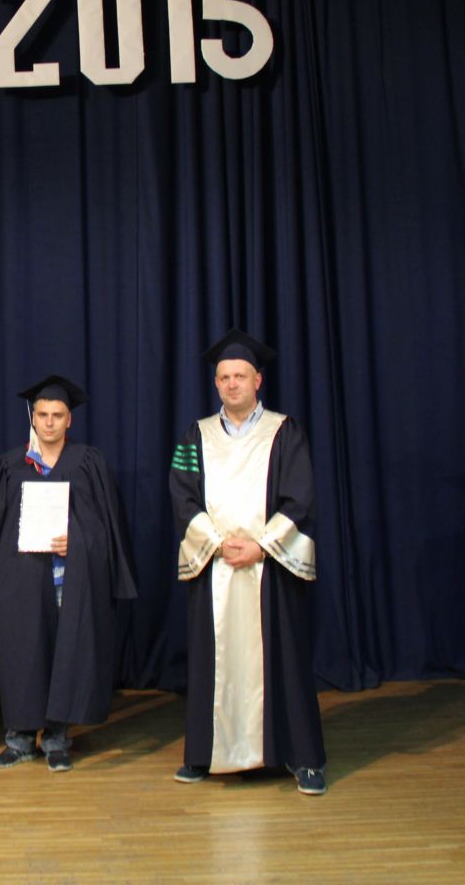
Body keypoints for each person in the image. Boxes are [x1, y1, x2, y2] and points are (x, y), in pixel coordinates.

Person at [168, 328, 327, 795]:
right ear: (215, 383)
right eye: (224, 377)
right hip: (215, 563)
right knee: (209, 663)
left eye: (240, 376)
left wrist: (261, 545)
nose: (231, 384)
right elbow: (181, 493)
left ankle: (302, 757)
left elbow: (300, 498)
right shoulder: (195, 436)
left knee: (285, 660)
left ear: (258, 380)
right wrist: (216, 542)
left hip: (269, 565)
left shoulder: (284, 431)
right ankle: (203, 753)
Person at [0, 375, 137, 772]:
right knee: (22, 656)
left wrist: (77, 541)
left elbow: (107, 527)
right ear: (32, 418)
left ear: (70, 420)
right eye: (42, 414)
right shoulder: (10, 465)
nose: (49, 422)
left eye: (57, 415)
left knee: (65, 657)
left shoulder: (88, 462)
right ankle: (18, 740)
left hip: (69, 580)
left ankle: (55, 739)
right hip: (21, 579)